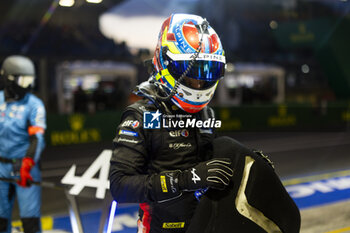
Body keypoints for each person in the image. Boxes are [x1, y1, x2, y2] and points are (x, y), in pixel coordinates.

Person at [109, 13, 232, 233]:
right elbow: (120, 186)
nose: (200, 82)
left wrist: (246, 163)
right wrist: (184, 180)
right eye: (192, 73)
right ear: (166, 62)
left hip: (204, 226)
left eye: (207, 72)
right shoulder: (142, 116)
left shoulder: (206, 115)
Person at [0, 55, 46, 233]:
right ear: (9, 79)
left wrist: (27, 163)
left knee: (30, 222)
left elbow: (37, 138)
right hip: (1, 166)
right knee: (1, 220)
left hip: (25, 165)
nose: (27, 86)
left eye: (30, 81)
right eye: (23, 80)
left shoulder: (34, 104)